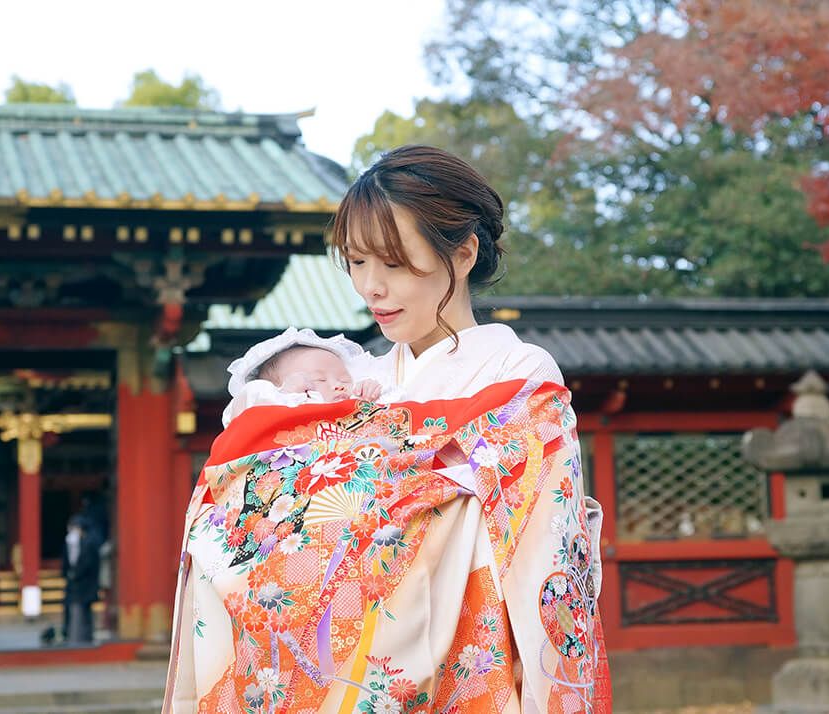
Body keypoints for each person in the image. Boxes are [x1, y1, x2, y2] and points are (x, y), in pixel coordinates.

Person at [163, 145, 609, 713]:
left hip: (460, 670)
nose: (369, 287)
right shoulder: (357, 377)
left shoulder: (519, 377)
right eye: (355, 262)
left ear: (465, 252)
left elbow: (542, 549)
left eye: (393, 263)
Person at [222, 327, 385, 428]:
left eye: (344, 379)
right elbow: (249, 399)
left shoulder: (355, 402)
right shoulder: (267, 400)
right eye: (320, 379)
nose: (338, 385)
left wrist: (368, 392)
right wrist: (286, 394)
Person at [62, 515, 100, 644]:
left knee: (82, 611)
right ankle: (79, 637)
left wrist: (75, 574)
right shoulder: (72, 543)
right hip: (77, 584)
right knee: (79, 611)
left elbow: (88, 564)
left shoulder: (89, 543)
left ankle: (80, 638)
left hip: (85, 584)